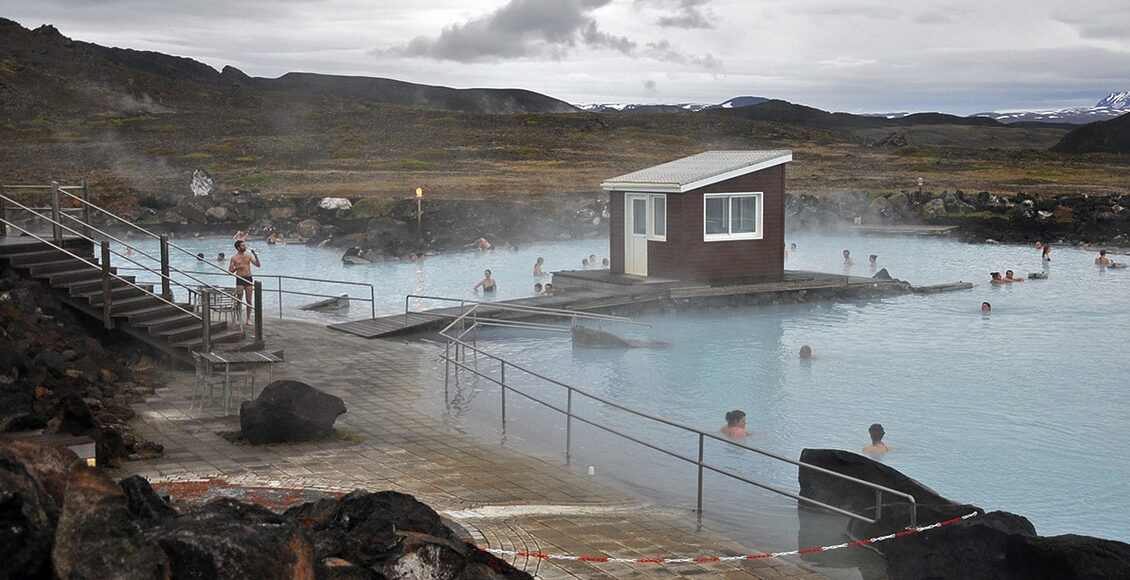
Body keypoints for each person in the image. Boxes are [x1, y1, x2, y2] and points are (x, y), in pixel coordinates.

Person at [228, 240, 260, 322]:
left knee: (249, 300)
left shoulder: (248, 255)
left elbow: (258, 265)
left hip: (248, 278)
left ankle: (248, 318)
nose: (244, 247)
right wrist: (237, 268)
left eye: (244, 245)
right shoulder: (234, 257)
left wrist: (255, 255)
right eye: (242, 246)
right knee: (239, 299)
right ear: (238, 247)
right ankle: (238, 317)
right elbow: (230, 271)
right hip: (240, 279)